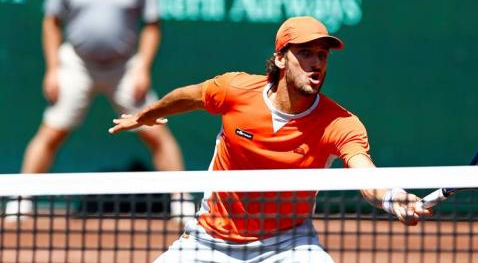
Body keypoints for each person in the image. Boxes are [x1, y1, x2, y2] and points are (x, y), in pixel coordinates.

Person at [109, 16, 432, 262]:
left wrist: (392, 197)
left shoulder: (340, 123)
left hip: (288, 244)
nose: (316, 63)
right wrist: (146, 114)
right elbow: (189, 96)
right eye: (305, 53)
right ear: (280, 58)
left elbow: (365, 173)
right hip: (208, 239)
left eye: (322, 55)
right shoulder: (234, 90)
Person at [5, 0, 194, 221]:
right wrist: (53, 68)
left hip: (124, 66)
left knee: (156, 131)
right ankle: (21, 200)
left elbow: (151, 24)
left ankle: (181, 202)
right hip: (77, 64)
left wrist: (143, 67)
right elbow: (52, 21)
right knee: (51, 132)